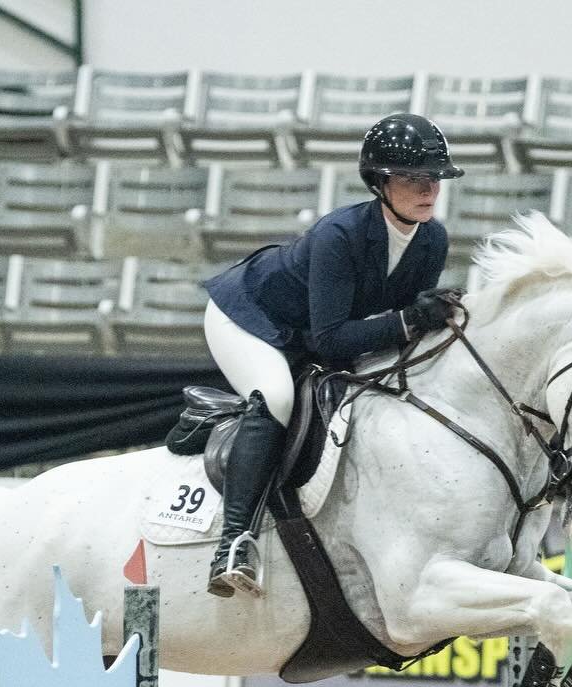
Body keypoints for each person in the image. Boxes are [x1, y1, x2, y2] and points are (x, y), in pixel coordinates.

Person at [199, 112, 464, 598]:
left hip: (315, 330)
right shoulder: (339, 235)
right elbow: (331, 341)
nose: (428, 189)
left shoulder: (433, 239)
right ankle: (234, 541)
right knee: (277, 396)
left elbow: (397, 335)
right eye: (412, 178)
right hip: (251, 318)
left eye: (434, 178)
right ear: (380, 183)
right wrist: (409, 320)